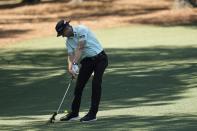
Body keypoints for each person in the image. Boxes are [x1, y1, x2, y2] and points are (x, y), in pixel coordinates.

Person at [55, 19, 108, 122]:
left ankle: (92, 114)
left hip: (100, 58)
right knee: (79, 87)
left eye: (62, 33)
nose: (63, 36)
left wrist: (75, 63)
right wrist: (70, 67)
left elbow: (81, 46)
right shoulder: (68, 41)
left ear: (67, 27)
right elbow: (70, 55)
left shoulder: (81, 29)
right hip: (87, 62)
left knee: (96, 84)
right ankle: (74, 113)